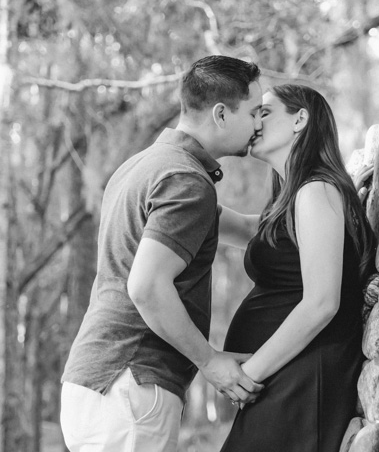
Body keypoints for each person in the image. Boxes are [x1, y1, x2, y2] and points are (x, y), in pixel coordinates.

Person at [60, 55, 266, 452]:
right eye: (255, 112)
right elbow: (147, 287)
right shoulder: (186, 181)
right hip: (130, 386)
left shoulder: (143, 167)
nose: (259, 124)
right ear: (221, 114)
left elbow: (246, 229)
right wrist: (210, 362)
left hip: (92, 384)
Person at [217, 84, 374, 452]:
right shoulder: (293, 198)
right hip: (284, 377)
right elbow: (237, 226)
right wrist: (180, 171)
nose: (255, 122)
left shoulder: (316, 191)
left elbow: (321, 303)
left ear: (300, 119)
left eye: (265, 112)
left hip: (304, 380)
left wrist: (249, 374)